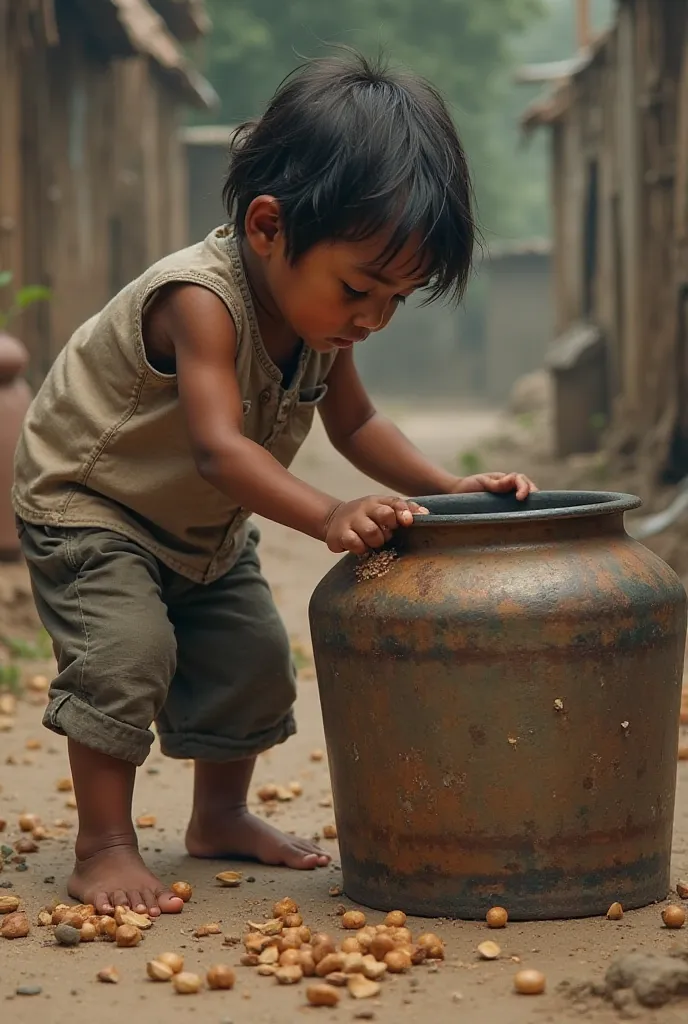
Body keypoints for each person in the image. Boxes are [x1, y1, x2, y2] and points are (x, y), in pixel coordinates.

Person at [12, 52, 535, 918]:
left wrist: (446, 487)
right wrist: (331, 512)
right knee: (128, 654)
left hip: (198, 522)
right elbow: (221, 450)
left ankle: (219, 815)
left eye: (396, 299)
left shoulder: (324, 321)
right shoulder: (200, 302)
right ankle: (103, 843)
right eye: (360, 288)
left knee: (255, 658)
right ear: (266, 226)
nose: (371, 317)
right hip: (92, 502)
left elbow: (355, 425)